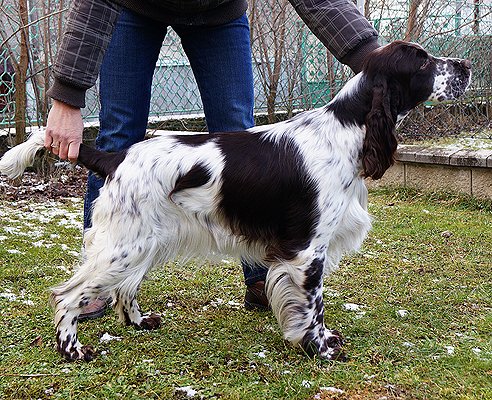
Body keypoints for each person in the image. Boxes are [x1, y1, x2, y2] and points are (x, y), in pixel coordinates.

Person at [45, 0, 380, 320]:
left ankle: (264, 273)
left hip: (219, 11)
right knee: (118, 137)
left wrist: (376, 61)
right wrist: (67, 94)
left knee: (240, 133)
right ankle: (100, 276)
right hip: (133, 7)